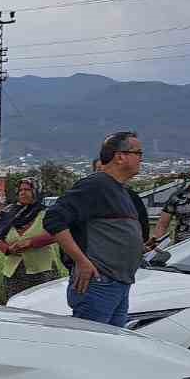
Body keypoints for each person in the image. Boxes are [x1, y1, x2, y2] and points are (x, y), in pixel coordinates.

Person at [43, 131, 145, 327]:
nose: (141, 158)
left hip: (119, 283)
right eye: (138, 153)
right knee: (90, 348)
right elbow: (54, 219)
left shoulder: (120, 189)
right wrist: (81, 261)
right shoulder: (95, 185)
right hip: (99, 284)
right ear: (120, 156)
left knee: (109, 348)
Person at [0, 178, 60, 300]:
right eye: (20, 190)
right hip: (13, 272)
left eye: (28, 189)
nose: (23, 193)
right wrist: (8, 250)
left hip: (42, 271)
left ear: (36, 191)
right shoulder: (8, 213)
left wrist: (31, 243)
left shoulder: (47, 213)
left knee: (42, 306)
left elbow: (57, 234)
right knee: (16, 307)